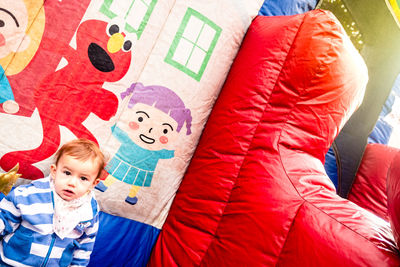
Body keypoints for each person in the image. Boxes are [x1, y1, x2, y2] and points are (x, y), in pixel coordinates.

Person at [0, 138, 104, 266]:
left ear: (94, 183)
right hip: (13, 262)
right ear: (54, 172)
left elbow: (84, 246)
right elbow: (3, 221)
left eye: (83, 178)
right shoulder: (27, 196)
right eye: (67, 173)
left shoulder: (89, 211)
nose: (72, 183)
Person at [95, 82, 192, 205]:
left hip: (141, 168)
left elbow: (164, 153)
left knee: (135, 181)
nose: (150, 131)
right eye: (141, 119)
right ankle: (106, 185)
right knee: (117, 174)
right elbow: (119, 134)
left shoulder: (155, 151)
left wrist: (174, 152)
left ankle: (130, 196)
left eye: (165, 130)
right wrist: (113, 123)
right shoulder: (130, 139)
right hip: (128, 163)